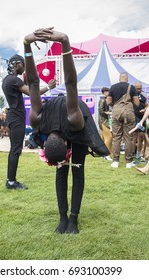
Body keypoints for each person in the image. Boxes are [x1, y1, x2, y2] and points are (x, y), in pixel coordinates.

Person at [25, 27, 109, 234]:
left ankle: (74, 219)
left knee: (77, 170)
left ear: (65, 144)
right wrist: (26, 45)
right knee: (61, 172)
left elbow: (71, 83)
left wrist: (64, 42)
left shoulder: (75, 119)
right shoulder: (38, 120)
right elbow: (34, 82)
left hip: (76, 123)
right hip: (56, 124)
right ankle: (62, 218)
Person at [1, 51, 56, 190]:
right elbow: (33, 94)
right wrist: (49, 87)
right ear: (16, 65)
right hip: (16, 117)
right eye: (23, 65)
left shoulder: (7, 80)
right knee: (16, 150)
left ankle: (10, 180)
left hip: (12, 117)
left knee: (14, 149)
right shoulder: (14, 80)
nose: (24, 68)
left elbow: (26, 84)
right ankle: (11, 182)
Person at [107, 72, 139, 168]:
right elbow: (137, 103)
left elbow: (108, 102)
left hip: (116, 113)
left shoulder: (113, 87)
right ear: (127, 78)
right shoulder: (132, 87)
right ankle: (129, 162)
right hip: (128, 113)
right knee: (128, 137)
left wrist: (116, 106)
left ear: (119, 78)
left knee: (116, 137)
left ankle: (115, 161)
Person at [133, 81, 147, 161]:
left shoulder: (144, 96)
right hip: (133, 118)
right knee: (133, 137)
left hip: (142, 118)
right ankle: (131, 154)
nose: (139, 90)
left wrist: (144, 110)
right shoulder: (130, 96)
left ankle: (138, 155)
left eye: (140, 88)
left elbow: (147, 106)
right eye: (137, 88)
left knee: (141, 137)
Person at [98, 87, 113, 161]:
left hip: (102, 120)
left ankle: (103, 154)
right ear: (104, 92)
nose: (108, 93)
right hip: (103, 121)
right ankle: (106, 154)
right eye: (107, 92)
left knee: (104, 138)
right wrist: (108, 113)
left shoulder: (103, 100)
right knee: (109, 137)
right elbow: (101, 111)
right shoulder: (103, 100)